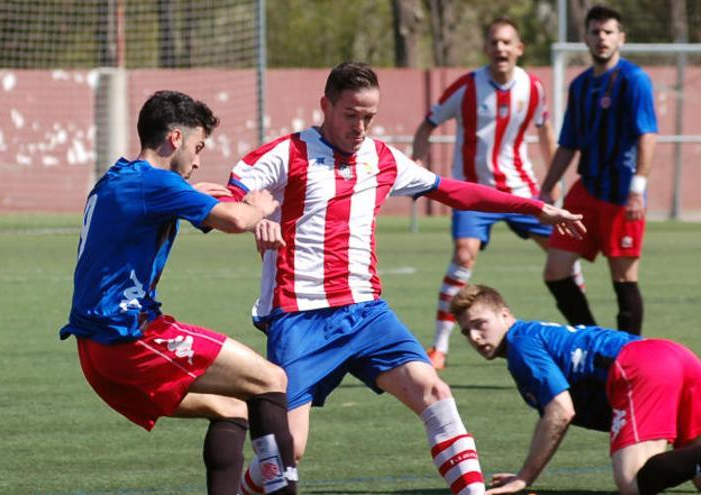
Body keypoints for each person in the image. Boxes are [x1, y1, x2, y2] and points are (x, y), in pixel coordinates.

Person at [226, 62, 585, 495]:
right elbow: (234, 189)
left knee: (433, 390)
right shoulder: (288, 152)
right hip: (300, 317)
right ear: (325, 106)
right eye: (350, 114)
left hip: (366, 314)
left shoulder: (382, 159)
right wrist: (254, 217)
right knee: (290, 451)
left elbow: (455, 190)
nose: (360, 127)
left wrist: (532, 207)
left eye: (369, 117)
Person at [59, 90, 298, 495]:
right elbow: (237, 220)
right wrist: (259, 206)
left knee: (231, 407)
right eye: (198, 146)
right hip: (127, 340)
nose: (198, 159)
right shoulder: (155, 183)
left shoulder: (118, 177)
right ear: (174, 139)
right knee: (271, 378)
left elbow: (152, 205)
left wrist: (192, 194)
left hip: (95, 349)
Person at [412, 18, 585, 370]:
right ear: (486, 48)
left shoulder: (533, 87)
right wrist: (416, 163)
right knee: (464, 254)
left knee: (563, 252)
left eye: (507, 42)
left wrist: (553, 183)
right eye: (494, 42)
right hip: (473, 192)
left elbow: (546, 131)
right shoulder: (466, 87)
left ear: (519, 49)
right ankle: (440, 347)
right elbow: (428, 124)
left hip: (521, 190)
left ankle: (583, 331)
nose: (500, 48)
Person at [451, 284, 701, 495]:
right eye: (466, 332)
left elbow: (561, 411)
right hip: (676, 356)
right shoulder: (533, 335)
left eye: (479, 324)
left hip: (641, 364)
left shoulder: (520, 343)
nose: (474, 337)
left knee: (631, 482)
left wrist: (523, 477)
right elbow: (555, 412)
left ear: (505, 315)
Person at [539, 5, 657, 336]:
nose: (602, 38)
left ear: (621, 37)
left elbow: (647, 136)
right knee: (555, 271)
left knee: (623, 277)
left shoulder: (635, 80)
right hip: (586, 189)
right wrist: (547, 186)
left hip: (622, 193)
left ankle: (627, 356)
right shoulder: (579, 86)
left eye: (608, 32)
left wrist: (638, 189)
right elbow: (568, 143)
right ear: (586, 37)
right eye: (595, 32)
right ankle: (593, 341)